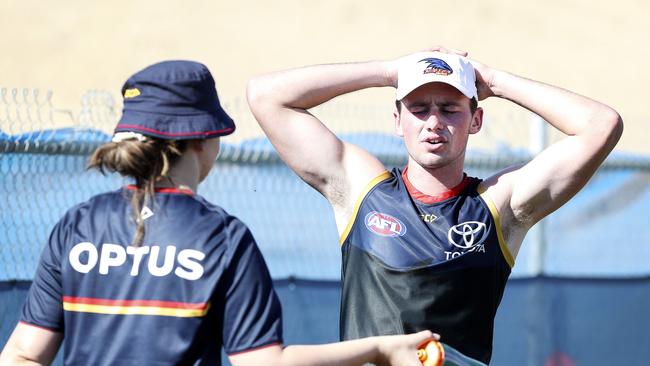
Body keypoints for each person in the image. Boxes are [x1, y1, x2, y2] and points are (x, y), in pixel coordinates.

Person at [0, 60, 436, 366]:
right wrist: (379, 350)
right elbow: (265, 363)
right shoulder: (221, 239)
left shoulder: (76, 227)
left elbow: (22, 354)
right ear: (203, 140)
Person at [245, 47, 623, 364]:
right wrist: (388, 72)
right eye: (419, 108)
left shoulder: (498, 204)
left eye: (449, 108)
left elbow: (601, 125)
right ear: (397, 120)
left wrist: (493, 81)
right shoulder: (362, 188)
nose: (433, 123)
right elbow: (266, 95)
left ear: (475, 119)